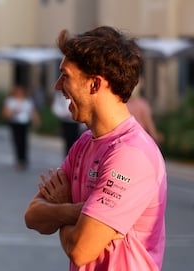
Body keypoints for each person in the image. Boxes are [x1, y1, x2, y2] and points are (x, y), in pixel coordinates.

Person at [24, 26, 167, 271]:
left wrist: (60, 207)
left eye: (65, 76)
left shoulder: (131, 155)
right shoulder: (84, 143)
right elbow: (32, 216)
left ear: (94, 84)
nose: (58, 86)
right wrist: (74, 211)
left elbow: (81, 250)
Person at [2, 84, 40, 170]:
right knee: (17, 141)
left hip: (24, 123)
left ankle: (24, 159)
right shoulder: (11, 101)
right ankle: (19, 159)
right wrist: (12, 112)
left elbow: (32, 111)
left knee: (24, 142)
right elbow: (6, 113)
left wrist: (36, 121)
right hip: (15, 122)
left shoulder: (27, 101)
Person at [127, 79, 164, 144]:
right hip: (140, 143)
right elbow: (152, 131)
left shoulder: (123, 105)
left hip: (126, 144)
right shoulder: (143, 105)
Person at [51, 91, 84, 155]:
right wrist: (64, 113)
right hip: (66, 121)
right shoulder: (60, 94)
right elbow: (56, 107)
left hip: (76, 122)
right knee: (68, 142)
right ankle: (68, 158)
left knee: (78, 142)